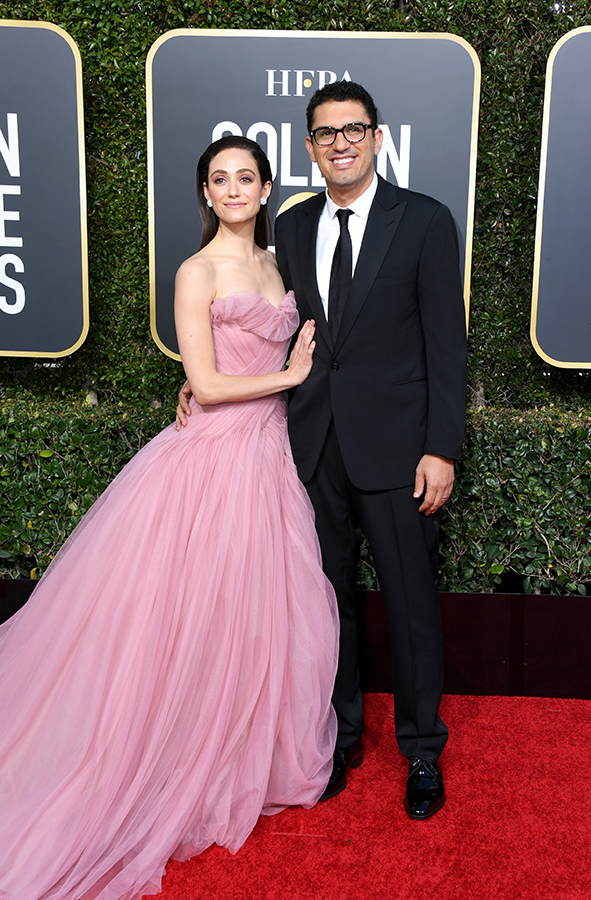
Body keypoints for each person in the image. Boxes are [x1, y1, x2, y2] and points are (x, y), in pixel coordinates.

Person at [0, 136, 338, 900]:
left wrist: (288, 378)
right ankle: (166, 754)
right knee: (185, 616)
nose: (233, 189)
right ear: (205, 194)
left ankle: (237, 752)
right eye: (219, 179)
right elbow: (207, 384)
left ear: (266, 188)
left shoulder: (278, 262)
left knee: (253, 615)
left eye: (245, 177)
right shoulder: (196, 271)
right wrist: (291, 373)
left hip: (268, 456)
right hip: (212, 459)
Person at [180, 81, 467, 820]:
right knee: (323, 601)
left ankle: (422, 750)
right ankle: (337, 739)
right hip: (307, 446)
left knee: (410, 600)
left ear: (377, 138)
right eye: (326, 133)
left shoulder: (425, 221)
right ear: (309, 147)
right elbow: (272, 326)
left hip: (398, 449)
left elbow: (447, 344)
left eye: (353, 129)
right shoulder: (294, 225)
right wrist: (200, 380)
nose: (341, 143)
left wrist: (441, 448)